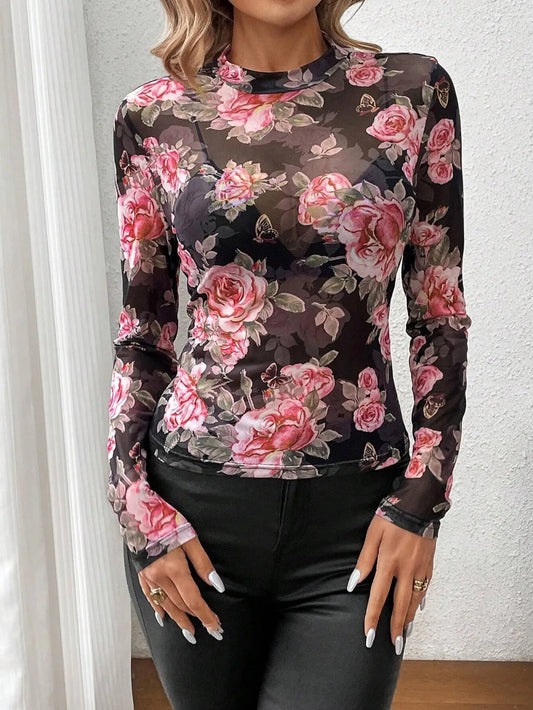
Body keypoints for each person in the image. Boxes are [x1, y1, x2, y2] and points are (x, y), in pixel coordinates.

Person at [106, 1, 472, 707]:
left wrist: (423, 500)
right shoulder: (152, 115)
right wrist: (134, 505)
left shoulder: (413, 92)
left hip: (357, 521)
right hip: (193, 514)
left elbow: (439, 313)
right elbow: (143, 333)